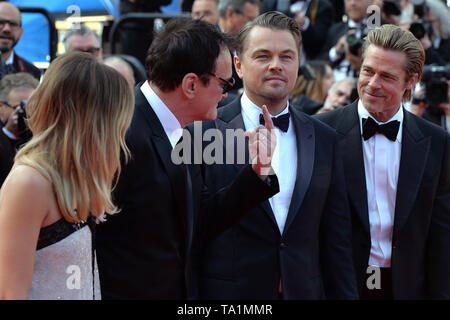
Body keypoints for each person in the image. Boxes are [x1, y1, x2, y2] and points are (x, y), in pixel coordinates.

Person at [95, 18, 279, 300]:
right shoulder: (119, 134)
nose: (227, 92)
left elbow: (198, 221)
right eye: (225, 82)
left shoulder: (187, 131)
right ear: (191, 84)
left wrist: (256, 174)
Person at [192, 11, 357, 299]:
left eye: (287, 56)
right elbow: (193, 231)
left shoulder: (324, 138)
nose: (276, 66)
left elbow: (336, 241)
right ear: (238, 66)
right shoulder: (203, 131)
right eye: (263, 56)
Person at [315, 24, 450, 299]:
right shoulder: (321, 132)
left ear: (411, 81)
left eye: (387, 76)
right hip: (338, 285)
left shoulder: (438, 142)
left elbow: (442, 237)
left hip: (407, 287)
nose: (373, 84)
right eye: (368, 71)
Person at [0, 51, 135, 299]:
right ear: (94, 121)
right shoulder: (29, 182)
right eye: (117, 121)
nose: (122, 133)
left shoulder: (77, 174)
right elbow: (9, 293)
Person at [259, 0, 334, 61]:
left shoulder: (322, 5)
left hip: (304, 62)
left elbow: (321, 44)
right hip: (270, 54)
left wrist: (305, 24)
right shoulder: (270, 3)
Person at [0, 73, 38, 186]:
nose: (28, 114)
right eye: (22, 107)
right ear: (1, 107)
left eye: (33, 107)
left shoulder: (43, 136)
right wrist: (7, 133)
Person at [319, 0, 371, 81]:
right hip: (334, 83)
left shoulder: (379, 29)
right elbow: (320, 60)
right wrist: (336, 51)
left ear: (370, 2)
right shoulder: (335, 29)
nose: (352, 3)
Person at [0, 2, 41, 80]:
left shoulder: (31, 73)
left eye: (13, 24)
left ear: (21, 32)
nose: (7, 29)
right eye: (1, 22)